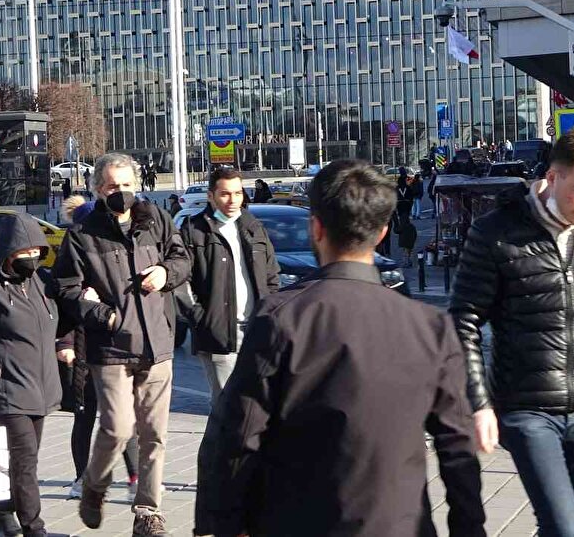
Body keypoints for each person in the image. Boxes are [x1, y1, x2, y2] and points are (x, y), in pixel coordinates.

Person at [195, 160, 485, 537]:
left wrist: (222, 523)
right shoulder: (429, 327)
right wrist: (469, 528)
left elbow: (238, 433)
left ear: (316, 227)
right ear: (382, 233)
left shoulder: (282, 318)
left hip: (295, 521)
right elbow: (457, 447)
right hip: (398, 524)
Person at [450, 125, 574, 537]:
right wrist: (480, 404)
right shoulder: (496, 232)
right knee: (564, 529)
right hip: (526, 410)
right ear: (553, 177)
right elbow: (464, 320)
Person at [54, 153, 191, 537]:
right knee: (116, 428)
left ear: (137, 185)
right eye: (113, 187)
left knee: (154, 435)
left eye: (127, 185)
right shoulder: (83, 235)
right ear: (99, 189)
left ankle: (148, 513)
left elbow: (181, 258)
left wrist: (166, 272)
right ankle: (93, 487)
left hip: (157, 343)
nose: (121, 193)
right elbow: (64, 289)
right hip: (111, 348)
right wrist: (102, 316)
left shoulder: (155, 220)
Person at [0, 213, 69, 537]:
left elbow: (64, 319)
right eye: (25, 252)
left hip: (42, 386)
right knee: (25, 462)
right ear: (8, 251)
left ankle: (3, 510)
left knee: (25, 460)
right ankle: (35, 528)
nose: (32, 258)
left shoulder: (42, 282)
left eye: (37, 252)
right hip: (7, 388)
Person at [57, 195, 141, 501]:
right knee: (84, 417)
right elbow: (62, 305)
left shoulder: (113, 253)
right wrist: (64, 344)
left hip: (114, 350)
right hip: (81, 351)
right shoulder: (71, 254)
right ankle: (81, 477)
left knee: (124, 417)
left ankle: (135, 478)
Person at [180, 167, 280, 406]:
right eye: (225, 194)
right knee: (228, 405)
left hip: (257, 329)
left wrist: (270, 311)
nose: (233, 200)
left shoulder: (253, 226)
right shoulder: (194, 231)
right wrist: (202, 319)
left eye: (238, 193)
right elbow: (181, 283)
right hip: (219, 333)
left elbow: (272, 275)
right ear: (211, 196)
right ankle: (222, 444)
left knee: (259, 405)